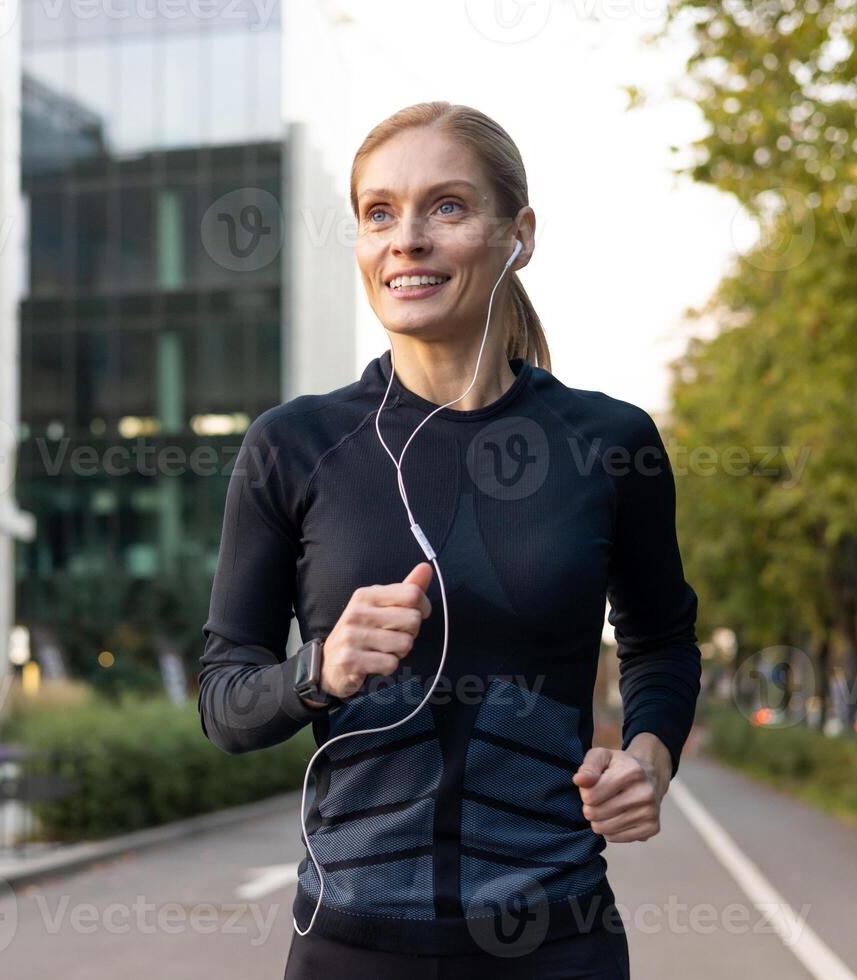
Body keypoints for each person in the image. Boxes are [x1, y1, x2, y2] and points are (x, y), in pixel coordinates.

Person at [197, 101, 702, 980]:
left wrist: (650, 759)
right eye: (379, 214)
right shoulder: (293, 446)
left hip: (558, 941)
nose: (408, 239)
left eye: (448, 207)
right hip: (352, 947)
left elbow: (660, 640)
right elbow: (224, 696)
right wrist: (320, 667)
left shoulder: (608, 442)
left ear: (520, 235)